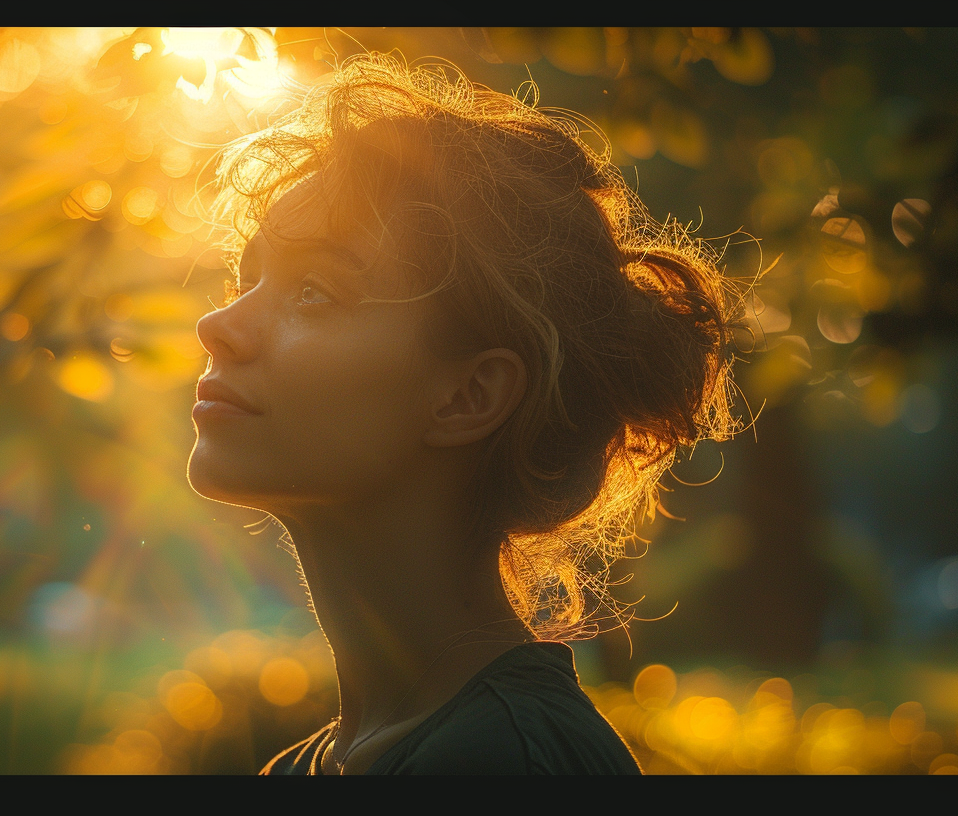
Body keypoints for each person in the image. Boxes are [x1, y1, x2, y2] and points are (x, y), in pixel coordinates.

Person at [186, 54, 740, 775]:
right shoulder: (305, 768)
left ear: (468, 396)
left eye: (313, 292)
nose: (218, 325)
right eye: (246, 277)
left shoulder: (513, 761)